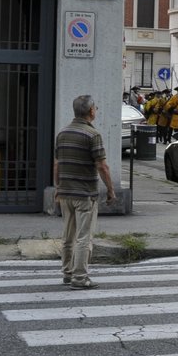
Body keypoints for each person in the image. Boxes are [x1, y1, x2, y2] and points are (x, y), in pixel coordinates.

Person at [53, 94, 116, 290]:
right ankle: (80, 278)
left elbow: (57, 165)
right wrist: (111, 190)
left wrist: (58, 188)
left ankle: (67, 273)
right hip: (85, 194)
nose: (96, 110)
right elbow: (102, 166)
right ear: (90, 111)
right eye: (95, 108)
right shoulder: (92, 135)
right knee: (84, 237)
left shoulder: (62, 133)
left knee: (68, 235)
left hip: (65, 193)